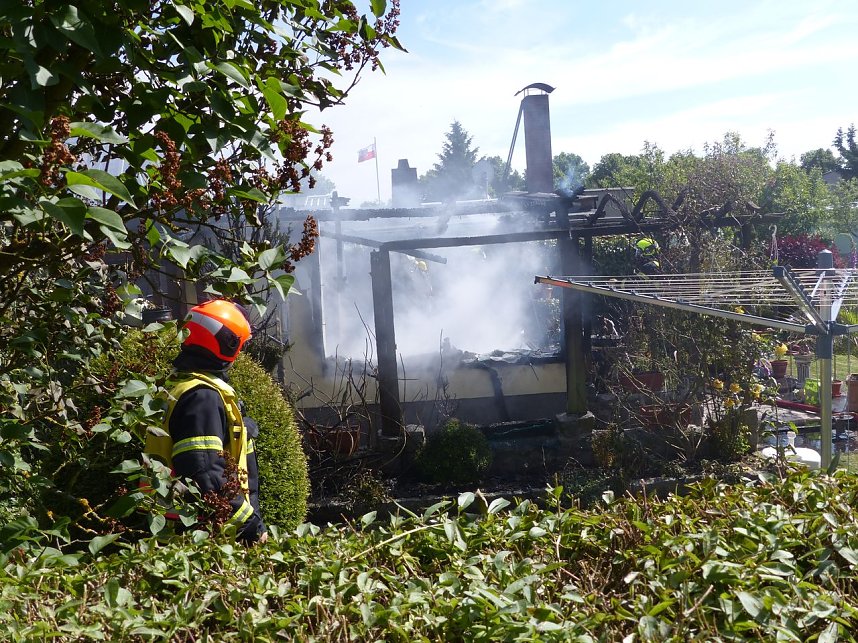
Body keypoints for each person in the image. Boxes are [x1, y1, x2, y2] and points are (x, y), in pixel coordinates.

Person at [144, 299, 267, 544]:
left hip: (179, 533)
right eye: (239, 345)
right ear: (228, 343)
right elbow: (205, 472)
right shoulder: (202, 397)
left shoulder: (180, 387)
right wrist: (250, 526)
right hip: (202, 538)